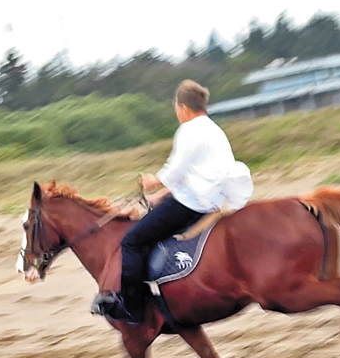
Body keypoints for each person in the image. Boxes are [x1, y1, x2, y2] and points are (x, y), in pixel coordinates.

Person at [92, 79, 254, 323]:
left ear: (184, 108)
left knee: (132, 242)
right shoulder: (212, 128)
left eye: (176, 109)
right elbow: (194, 173)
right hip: (212, 198)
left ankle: (133, 309)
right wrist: (162, 195)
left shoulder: (188, 130)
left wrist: (152, 181)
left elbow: (175, 169)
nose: (177, 114)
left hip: (193, 204)